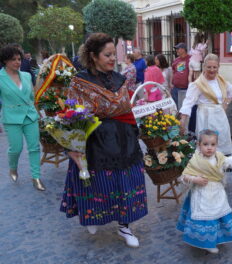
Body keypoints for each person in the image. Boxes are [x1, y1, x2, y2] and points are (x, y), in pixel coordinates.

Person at [60, 33, 148, 248]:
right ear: (94, 56)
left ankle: (124, 226)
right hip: (95, 142)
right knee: (98, 183)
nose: (112, 59)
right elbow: (73, 115)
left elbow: (126, 108)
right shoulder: (79, 82)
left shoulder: (119, 79)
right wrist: (73, 146)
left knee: (125, 182)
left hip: (123, 140)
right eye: (107, 55)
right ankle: (92, 217)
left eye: (113, 55)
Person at [176, 129, 232, 254]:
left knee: (218, 214)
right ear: (199, 145)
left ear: (217, 145)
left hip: (216, 193)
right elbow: (184, 176)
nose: (209, 148)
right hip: (200, 193)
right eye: (205, 144)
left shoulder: (219, 158)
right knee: (205, 216)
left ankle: (218, 237)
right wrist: (195, 179)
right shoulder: (195, 159)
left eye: (213, 145)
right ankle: (206, 242)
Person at [0, 44, 44, 191]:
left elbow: (31, 97)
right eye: (13, 59)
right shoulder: (0, 78)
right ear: (5, 61)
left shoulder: (25, 76)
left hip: (30, 116)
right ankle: (13, 168)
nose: (18, 62)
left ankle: (36, 177)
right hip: (11, 118)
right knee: (16, 148)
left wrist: (37, 113)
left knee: (34, 147)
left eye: (19, 59)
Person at [179, 54, 232, 156]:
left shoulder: (221, 81)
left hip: (220, 117)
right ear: (204, 67)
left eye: (214, 67)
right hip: (205, 117)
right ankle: (207, 168)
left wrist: (226, 104)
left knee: (221, 140)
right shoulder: (198, 84)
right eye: (209, 67)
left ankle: (221, 164)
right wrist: (183, 121)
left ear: (218, 67)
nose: (212, 70)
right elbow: (188, 103)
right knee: (207, 145)